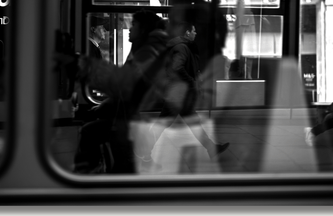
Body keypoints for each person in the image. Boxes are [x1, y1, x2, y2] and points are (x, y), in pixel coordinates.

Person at [73, 11, 168, 173]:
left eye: (133, 25)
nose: (129, 29)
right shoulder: (143, 50)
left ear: (143, 28)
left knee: (90, 133)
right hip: (126, 116)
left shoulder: (146, 53)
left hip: (126, 121)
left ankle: (86, 175)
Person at [147, 16, 229, 161]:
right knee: (164, 123)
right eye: (193, 31)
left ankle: (211, 148)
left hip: (178, 92)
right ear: (187, 33)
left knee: (190, 122)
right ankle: (143, 149)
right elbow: (177, 67)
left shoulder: (180, 46)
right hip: (179, 93)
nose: (195, 34)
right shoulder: (182, 47)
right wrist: (191, 81)